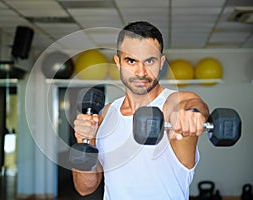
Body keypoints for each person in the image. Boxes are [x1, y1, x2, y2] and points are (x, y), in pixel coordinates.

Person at [72, 21, 209, 199]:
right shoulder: (105, 115)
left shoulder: (171, 105)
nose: (141, 72)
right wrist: (84, 141)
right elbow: (85, 188)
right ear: (118, 63)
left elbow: (193, 103)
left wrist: (192, 115)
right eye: (131, 61)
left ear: (161, 63)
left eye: (149, 61)